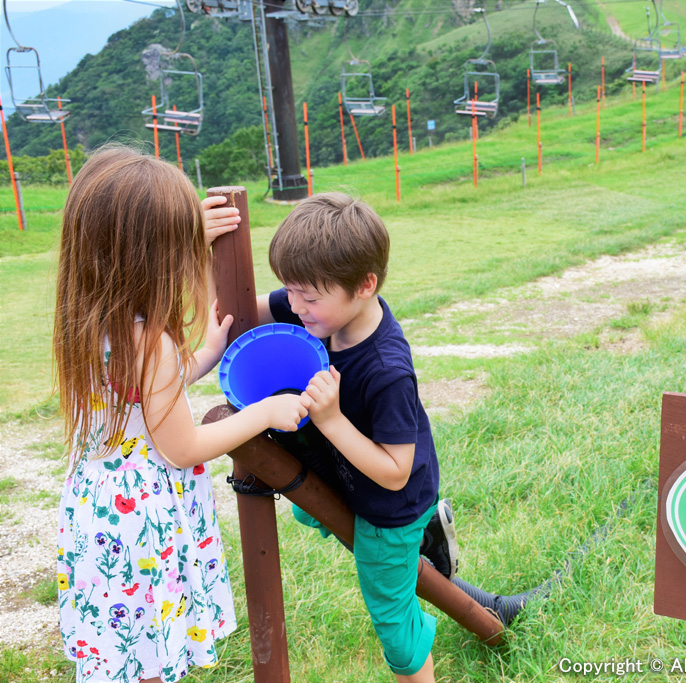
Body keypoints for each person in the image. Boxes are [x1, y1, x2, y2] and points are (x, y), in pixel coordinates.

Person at [54, 146, 309, 683]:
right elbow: (184, 446)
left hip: (99, 515)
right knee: (148, 662)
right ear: (150, 257)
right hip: (141, 523)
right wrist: (266, 410)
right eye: (181, 248)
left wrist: (204, 355)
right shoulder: (151, 343)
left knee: (123, 656)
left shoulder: (94, 318)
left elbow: (138, 396)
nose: (189, 260)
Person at [205, 193, 456, 683]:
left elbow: (395, 469)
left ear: (365, 286)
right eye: (289, 291)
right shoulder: (319, 306)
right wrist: (203, 253)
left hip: (390, 505)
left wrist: (333, 420)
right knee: (308, 507)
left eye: (308, 298)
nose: (293, 307)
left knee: (392, 616)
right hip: (340, 470)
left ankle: (419, 546)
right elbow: (240, 312)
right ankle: (424, 543)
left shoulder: (387, 371)